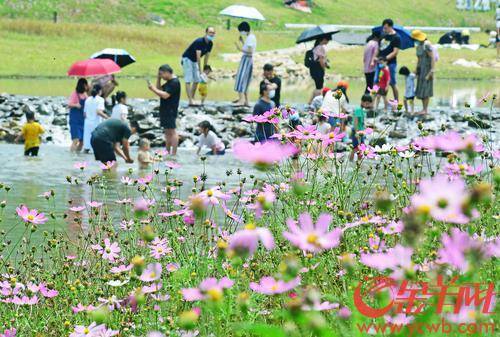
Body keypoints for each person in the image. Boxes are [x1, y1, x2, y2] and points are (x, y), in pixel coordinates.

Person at [147, 64, 181, 156]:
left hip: (170, 109)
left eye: (161, 74)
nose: (161, 76)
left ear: (167, 72)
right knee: (167, 132)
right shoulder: (169, 82)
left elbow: (165, 95)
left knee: (172, 131)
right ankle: (167, 151)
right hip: (164, 109)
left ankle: (173, 153)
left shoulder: (174, 82)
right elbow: (160, 89)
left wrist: (153, 89)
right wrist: (158, 79)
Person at [181, 27, 215, 106]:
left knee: (196, 80)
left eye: (213, 33)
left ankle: (192, 98)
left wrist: (205, 69)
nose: (212, 34)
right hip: (188, 59)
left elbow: (206, 56)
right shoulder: (199, 41)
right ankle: (190, 100)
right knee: (188, 79)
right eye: (210, 32)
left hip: (195, 61)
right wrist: (200, 70)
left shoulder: (210, 43)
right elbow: (198, 56)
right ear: (206, 33)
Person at [375, 19, 401, 102]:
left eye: (386, 28)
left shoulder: (396, 37)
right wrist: (375, 58)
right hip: (380, 63)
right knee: (376, 81)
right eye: (384, 28)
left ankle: (396, 102)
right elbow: (378, 48)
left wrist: (385, 59)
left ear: (390, 27)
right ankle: (373, 102)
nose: (384, 29)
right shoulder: (382, 35)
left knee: (392, 83)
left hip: (391, 64)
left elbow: (395, 52)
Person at [411, 30, 435, 115]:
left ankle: (425, 109)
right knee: (421, 89)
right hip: (421, 70)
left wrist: (431, 71)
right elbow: (419, 59)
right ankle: (423, 109)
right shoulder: (418, 46)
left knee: (426, 89)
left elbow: (432, 58)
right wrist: (416, 69)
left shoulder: (427, 44)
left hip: (427, 70)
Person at [234, 21, 257, 106]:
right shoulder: (250, 37)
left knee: (241, 79)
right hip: (248, 59)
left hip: (246, 60)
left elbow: (250, 51)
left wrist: (239, 48)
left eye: (241, 30)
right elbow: (248, 47)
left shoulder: (250, 37)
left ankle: (241, 100)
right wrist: (242, 42)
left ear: (244, 30)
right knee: (245, 80)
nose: (241, 32)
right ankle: (246, 101)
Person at [83, 84, 108, 153]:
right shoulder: (100, 100)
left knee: (87, 146)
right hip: (96, 123)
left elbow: (84, 114)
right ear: (100, 91)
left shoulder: (88, 99)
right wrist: (108, 118)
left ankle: (84, 160)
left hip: (87, 123)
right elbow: (98, 111)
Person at [68, 78, 89, 152]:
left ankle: (77, 156)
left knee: (82, 141)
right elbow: (69, 104)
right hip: (75, 120)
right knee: (75, 140)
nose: (88, 86)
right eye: (86, 85)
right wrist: (76, 105)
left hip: (82, 120)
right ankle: (71, 156)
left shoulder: (85, 95)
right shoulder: (74, 93)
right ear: (83, 85)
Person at [350, 94, 373, 161]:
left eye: (369, 104)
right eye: (366, 103)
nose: (367, 105)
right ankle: (351, 161)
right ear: (362, 102)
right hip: (357, 132)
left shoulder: (362, 110)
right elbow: (356, 121)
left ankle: (358, 162)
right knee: (356, 148)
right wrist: (357, 132)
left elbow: (361, 122)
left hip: (361, 132)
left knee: (361, 148)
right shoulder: (358, 110)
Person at [308, 36, 330, 103]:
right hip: (318, 69)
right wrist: (323, 69)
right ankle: (316, 102)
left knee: (318, 86)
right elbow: (321, 60)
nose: (328, 41)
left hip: (313, 69)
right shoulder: (320, 47)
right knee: (319, 87)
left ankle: (310, 102)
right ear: (323, 39)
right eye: (327, 39)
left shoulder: (316, 47)